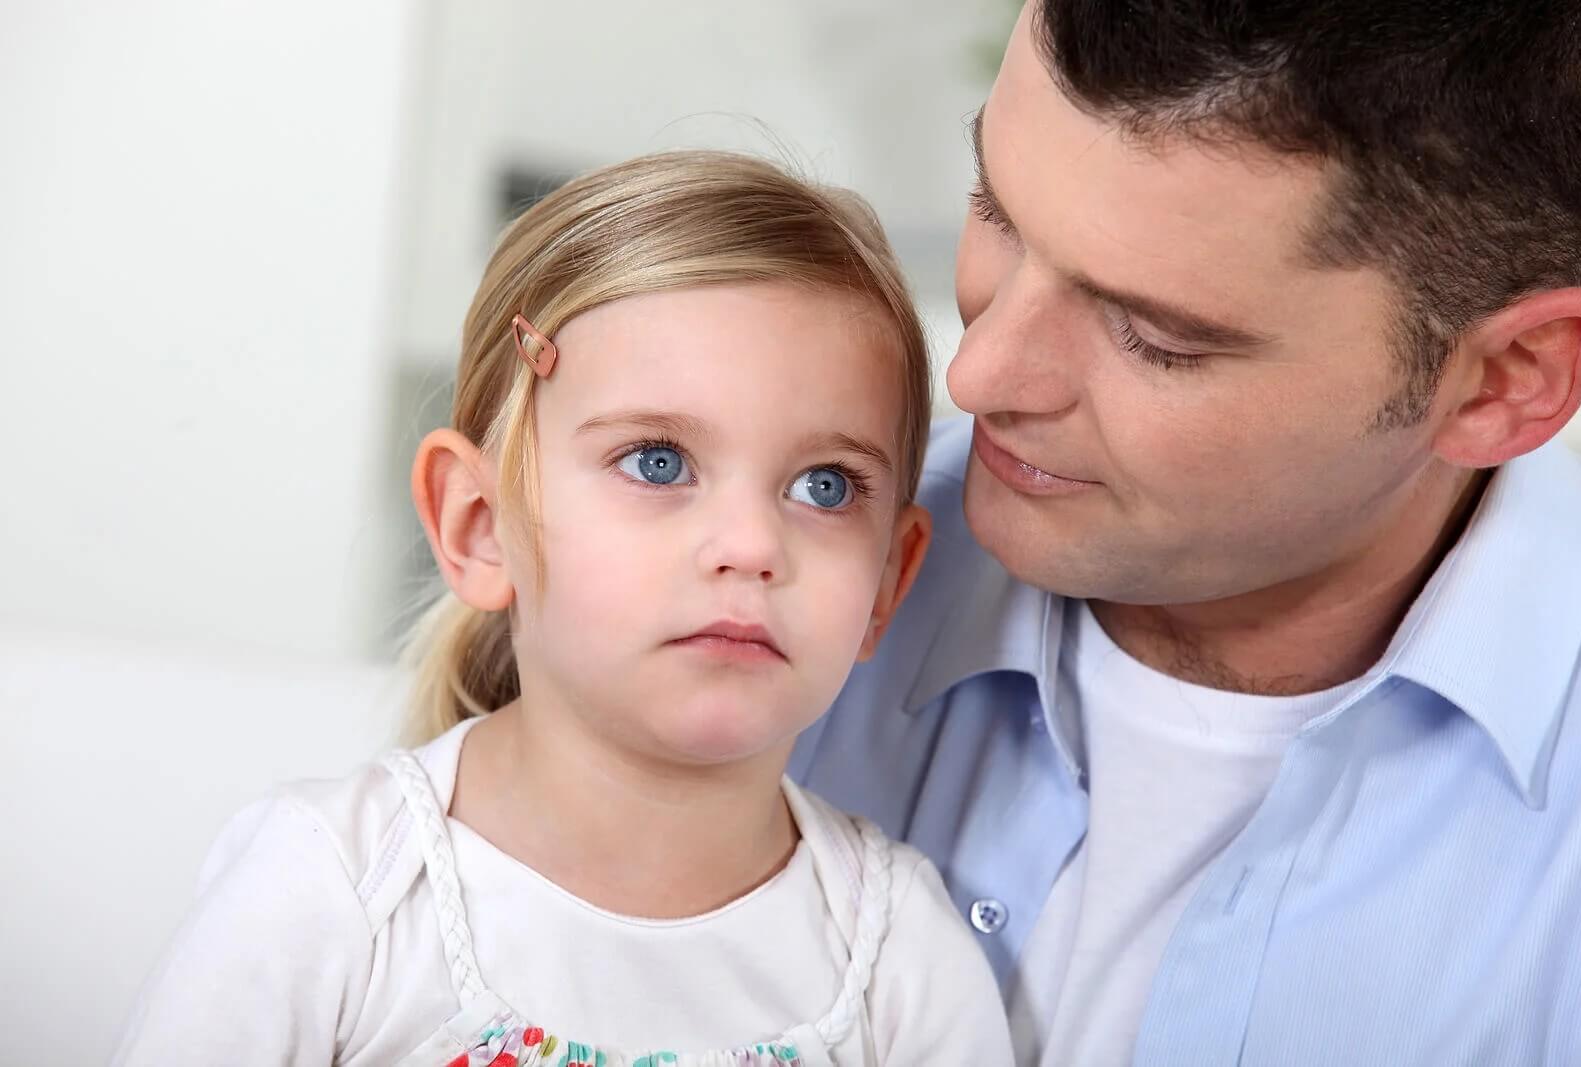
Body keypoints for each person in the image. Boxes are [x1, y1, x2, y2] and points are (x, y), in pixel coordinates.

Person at [795, 1, 1581, 1064]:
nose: (975, 373)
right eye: (996, 209)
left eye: (1156, 337)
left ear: (1505, 380)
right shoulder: (716, 582)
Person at [113, 151, 1013, 1066]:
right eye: (657, 461)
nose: (751, 543)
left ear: (886, 587)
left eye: (825, 486)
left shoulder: (901, 966)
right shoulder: (330, 894)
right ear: (479, 527)